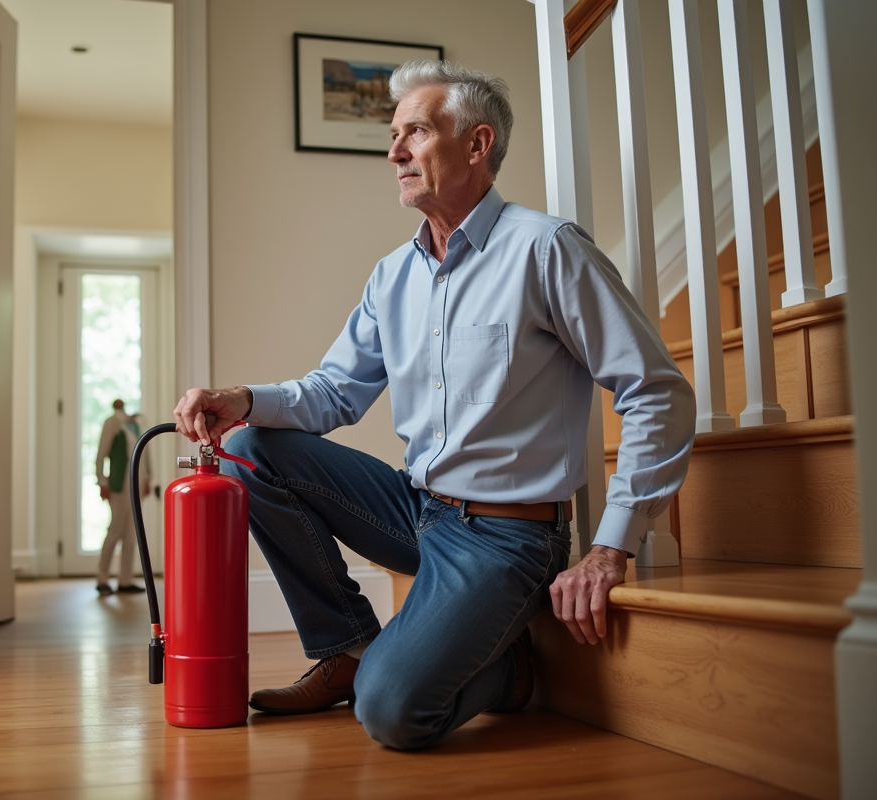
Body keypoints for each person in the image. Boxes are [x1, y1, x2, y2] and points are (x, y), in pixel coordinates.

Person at [173, 60, 696, 750]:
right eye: (394, 136)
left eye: (414, 132)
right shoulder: (392, 276)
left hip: (510, 537)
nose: (394, 153)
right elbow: (334, 393)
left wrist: (609, 547)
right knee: (247, 446)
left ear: (476, 145)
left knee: (391, 712)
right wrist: (239, 399)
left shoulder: (546, 249)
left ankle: (506, 668)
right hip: (416, 509)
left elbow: (655, 390)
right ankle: (350, 646)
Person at [95, 399, 152, 595]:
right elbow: (101, 454)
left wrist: (148, 479)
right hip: (120, 483)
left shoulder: (137, 424)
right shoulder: (112, 423)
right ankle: (102, 578)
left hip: (137, 482)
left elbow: (145, 453)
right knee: (116, 529)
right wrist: (102, 481)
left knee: (131, 532)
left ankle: (125, 580)